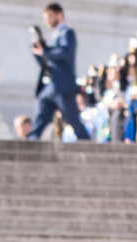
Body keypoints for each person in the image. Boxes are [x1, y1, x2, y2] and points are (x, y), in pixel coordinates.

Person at [28, 4, 88, 143]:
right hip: (50, 87)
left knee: (74, 121)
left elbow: (65, 53)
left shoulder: (67, 33)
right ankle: (29, 142)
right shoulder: (53, 36)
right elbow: (46, 64)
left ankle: (89, 146)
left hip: (64, 87)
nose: (47, 20)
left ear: (59, 15)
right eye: (45, 17)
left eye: (50, 16)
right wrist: (38, 51)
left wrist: (45, 52)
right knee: (40, 118)